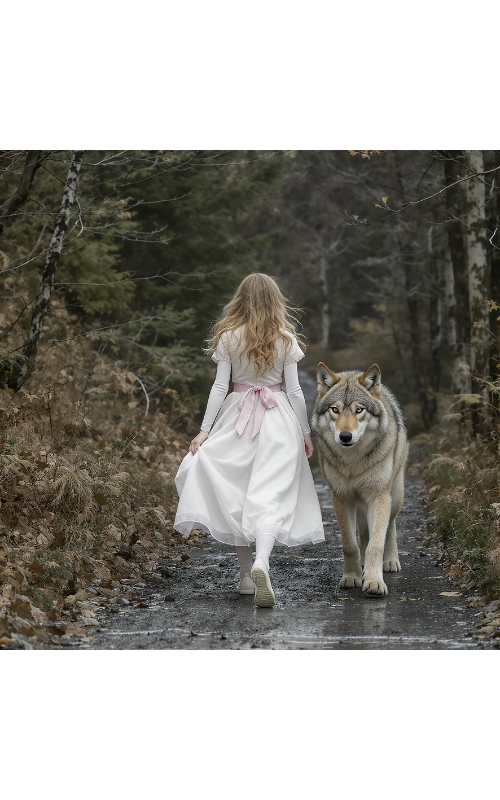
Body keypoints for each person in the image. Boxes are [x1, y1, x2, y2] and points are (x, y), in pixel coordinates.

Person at [174, 273, 325, 607]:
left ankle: (245, 575)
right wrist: (304, 431)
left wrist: (205, 430)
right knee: (269, 493)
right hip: (278, 420)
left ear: (239, 299)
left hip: (236, 417)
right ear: (276, 300)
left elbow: (219, 387)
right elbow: (296, 391)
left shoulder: (228, 336)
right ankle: (263, 562)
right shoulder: (285, 338)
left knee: (238, 492)